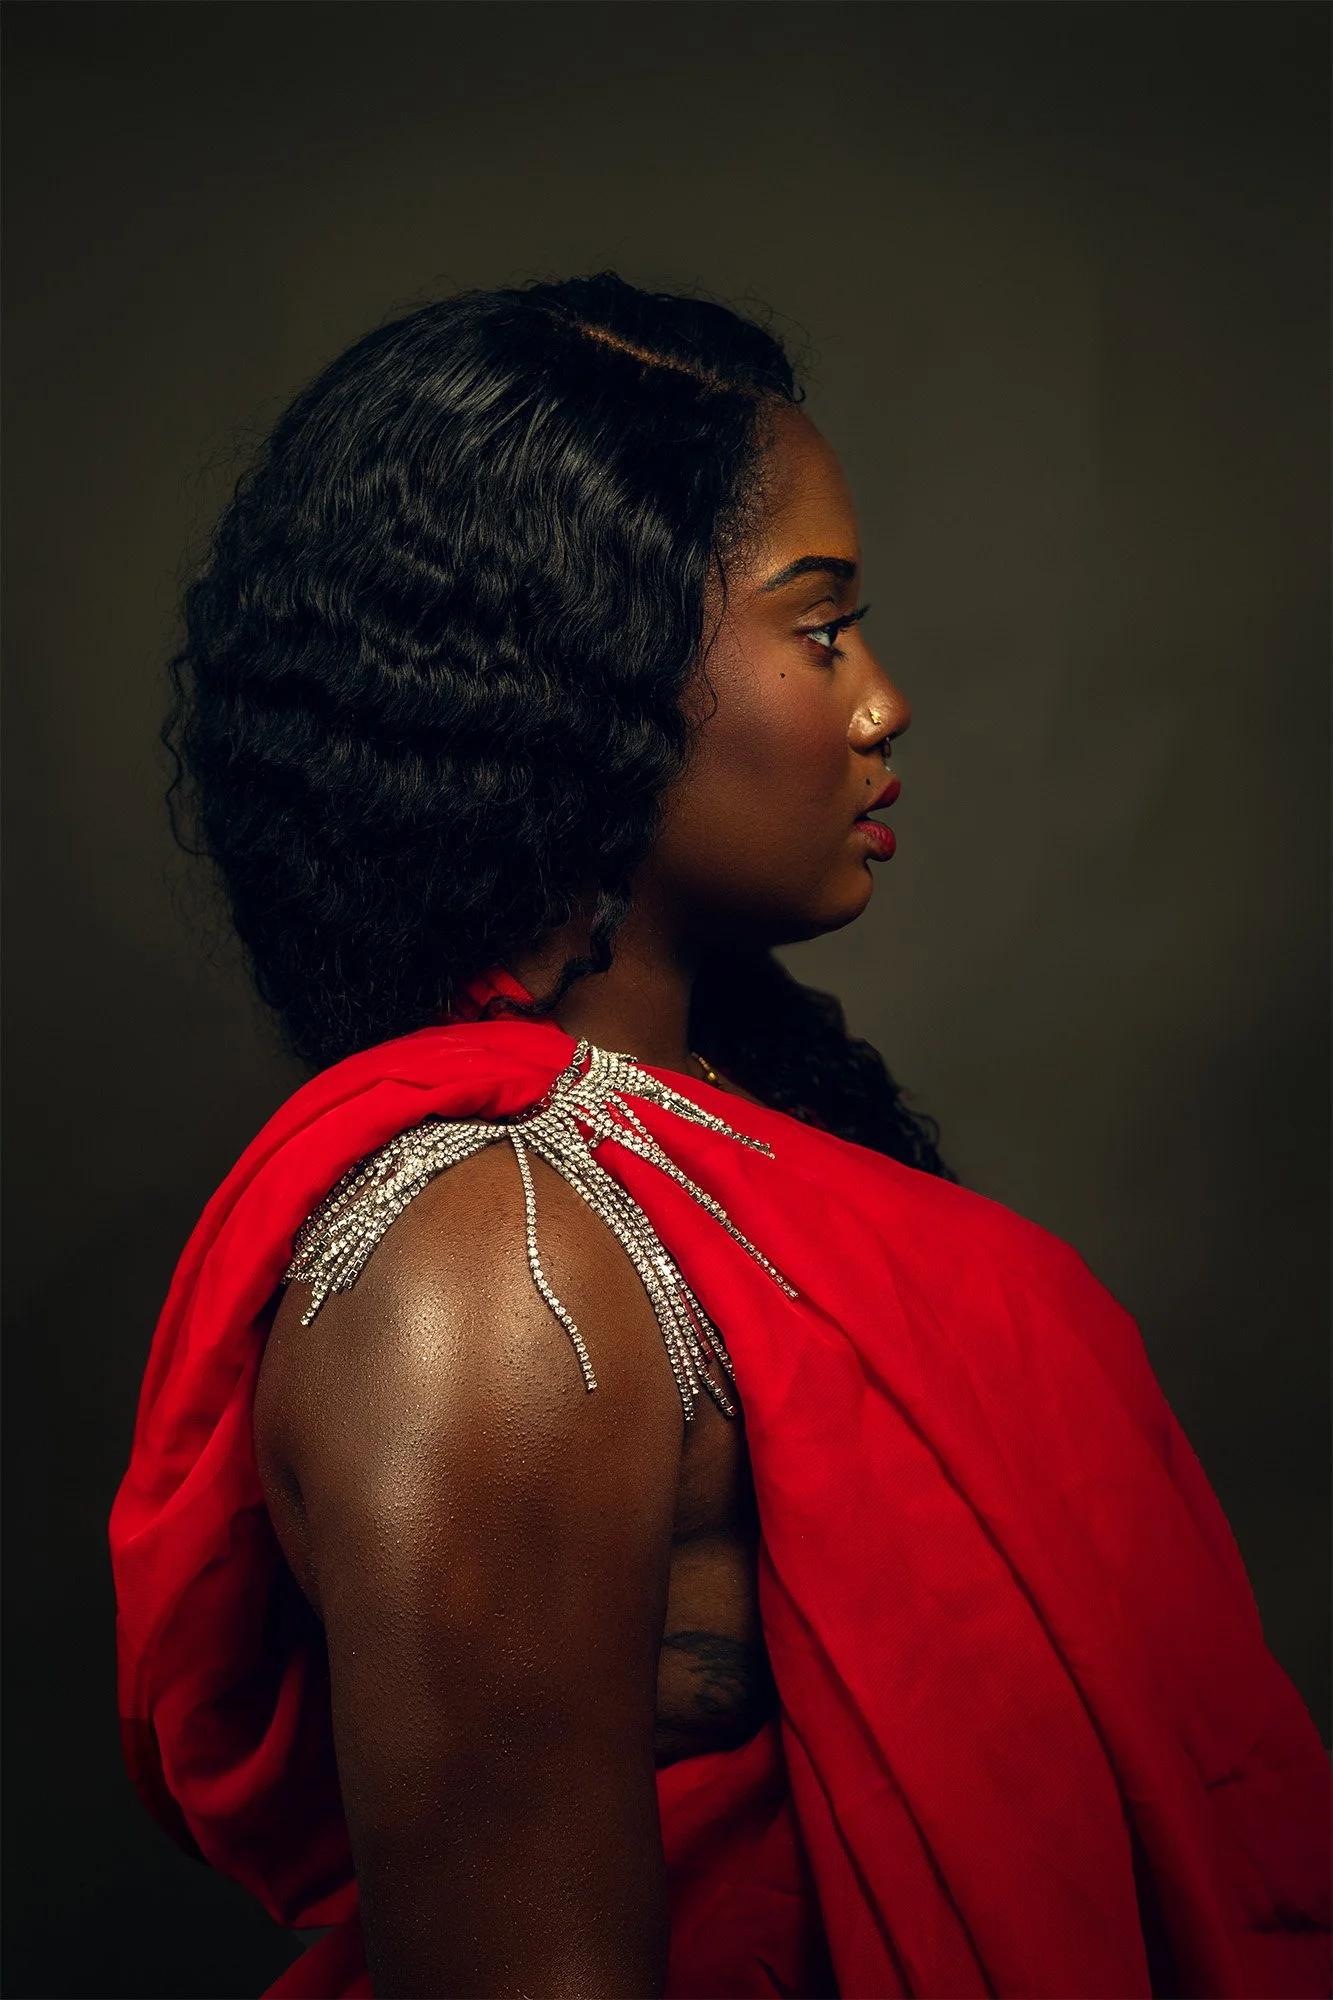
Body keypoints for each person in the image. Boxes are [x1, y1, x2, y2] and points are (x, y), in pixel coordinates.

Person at [110, 274, 1330, 2000]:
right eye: (820, 629)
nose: (882, 705)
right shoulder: (485, 1263)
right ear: (581, 674)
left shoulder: (739, 1145)